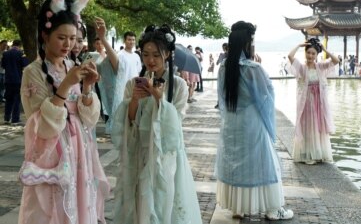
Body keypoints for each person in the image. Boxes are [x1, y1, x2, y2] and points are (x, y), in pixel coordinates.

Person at [18, 0, 109, 224]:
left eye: (73, 38)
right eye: (61, 37)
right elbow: (40, 126)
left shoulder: (72, 67)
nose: (68, 44)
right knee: (53, 206)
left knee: (80, 199)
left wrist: (87, 88)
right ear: (45, 35)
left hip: (79, 145)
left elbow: (88, 118)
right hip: (54, 150)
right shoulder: (33, 72)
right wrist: (65, 87)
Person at [112, 24, 202, 223]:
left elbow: (175, 126)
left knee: (164, 199)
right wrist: (134, 100)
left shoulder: (178, 85)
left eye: (156, 55)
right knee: (138, 201)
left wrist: (159, 98)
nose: (150, 60)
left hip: (166, 156)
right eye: (145, 54)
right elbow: (128, 124)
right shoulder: (133, 84)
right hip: (139, 153)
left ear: (168, 55)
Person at [216, 21, 293, 220]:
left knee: (236, 163)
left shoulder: (223, 67)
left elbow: (222, 99)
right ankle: (272, 208)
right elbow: (267, 95)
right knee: (263, 163)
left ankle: (238, 207)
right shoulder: (253, 68)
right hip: (251, 124)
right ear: (247, 43)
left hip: (231, 124)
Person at [288, 38, 339, 165]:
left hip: (319, 104)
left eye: (313, 53)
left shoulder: (320, 67)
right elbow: (290, 56)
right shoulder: (301, 68)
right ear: (305, 53)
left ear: (317, 55)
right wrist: (299, 45)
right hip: (306, 103)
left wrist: (325, 49)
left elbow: (336, 60)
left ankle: (318, 153)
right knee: (308, 127)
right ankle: (308, 154)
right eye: (308, 52)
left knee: (318, 127)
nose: (310, 55)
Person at [2, 39, 29, 125]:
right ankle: (15, 119)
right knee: (17, 99)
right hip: (17, 79)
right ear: (20, 45)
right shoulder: (20, 53)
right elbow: (25, 64)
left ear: (13, 44)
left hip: (7, 79)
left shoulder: (5, 54)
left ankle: (6, 117)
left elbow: (3, 65)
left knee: (8, 98)